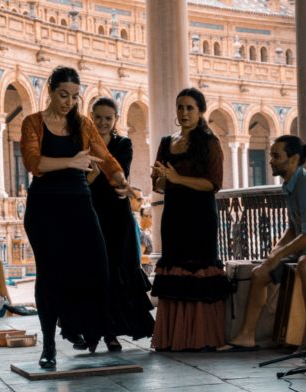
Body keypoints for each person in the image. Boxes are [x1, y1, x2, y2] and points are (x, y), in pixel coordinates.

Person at [20, 66, 133, 368]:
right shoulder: (34, 123)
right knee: (50, 273)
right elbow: (34, 163)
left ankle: (73, 324)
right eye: (63, 95)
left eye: (74, 96)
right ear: (50, 90)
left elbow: (106, 159)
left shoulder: (83, 124)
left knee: (97, 266)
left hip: (79, 204)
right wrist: (72, 161)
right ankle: (48, 346)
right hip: (44, 206)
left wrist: (120, 179)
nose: (68, 102)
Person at [218, 135, 306, 352]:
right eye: (271, 155)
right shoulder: (291, 184)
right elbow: (293, 229)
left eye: (276, 156)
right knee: (261, 273)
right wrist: (274, 252)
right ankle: (247, 336)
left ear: (294, 158)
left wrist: (278, 255)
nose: (271, 160)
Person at [150, 87, 230, 351]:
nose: (184, 113)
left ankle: (201, 336)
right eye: (180, 107)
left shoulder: (208, 141)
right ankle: (175, 337)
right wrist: (161, 177)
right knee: (175, 266)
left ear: (200, 111)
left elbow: (213, 183)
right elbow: (160, 185)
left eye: (190, 108)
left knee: (198, 268)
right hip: (174, 214)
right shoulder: (165, 142)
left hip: (200, 215)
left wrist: (177, 179)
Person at [88, 97, 154, 352]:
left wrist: (94, 164)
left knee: (116, 273)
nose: (103, 122)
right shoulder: (82, 143)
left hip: (117, 218)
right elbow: (83, 179)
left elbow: (118, 175)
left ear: (115, 120)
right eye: (99, 117)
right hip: (91, 216)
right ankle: (92, 330)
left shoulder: (123, 144)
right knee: (93, 274)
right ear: (91, 117)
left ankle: (112, 332)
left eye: (108, 118)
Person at [139, 206, 154, 276]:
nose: (153, 220)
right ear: (146, 217)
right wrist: (153, 259)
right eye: (151, 217)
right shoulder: (143, 235)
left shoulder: (141, 233)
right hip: (145, 275)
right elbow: (139, 258)